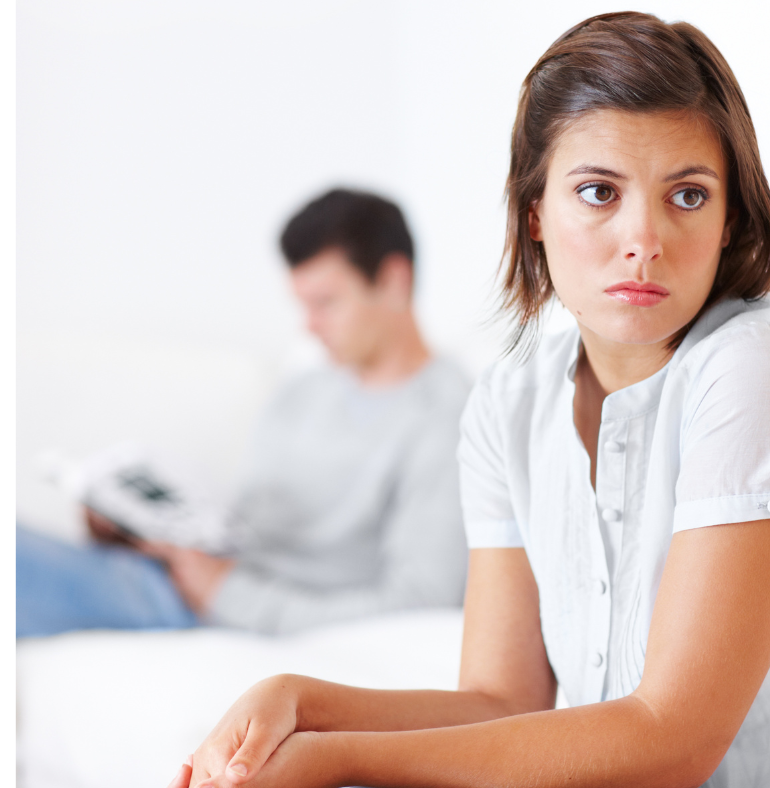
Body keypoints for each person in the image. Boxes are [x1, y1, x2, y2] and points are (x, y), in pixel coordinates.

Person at [167, 13, 770, 788]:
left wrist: (338, 758)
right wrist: (298, 702)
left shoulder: (758, 372)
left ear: (731, 214)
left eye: (689, 195)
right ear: (534, 211)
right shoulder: (511, 402)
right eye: (599, 192)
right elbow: (504, 700)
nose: (644, 237)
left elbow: (672, 742)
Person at [17, 188, 470, 637]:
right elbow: (240, 526)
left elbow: (421, 601)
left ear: (393, 281)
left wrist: (225, 596)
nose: (308, 325)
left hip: (219, 607)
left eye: (325, 303)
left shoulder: (446, 417)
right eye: (302, 304)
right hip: (180, 574)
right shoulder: (302, 389)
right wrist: (137, 528)